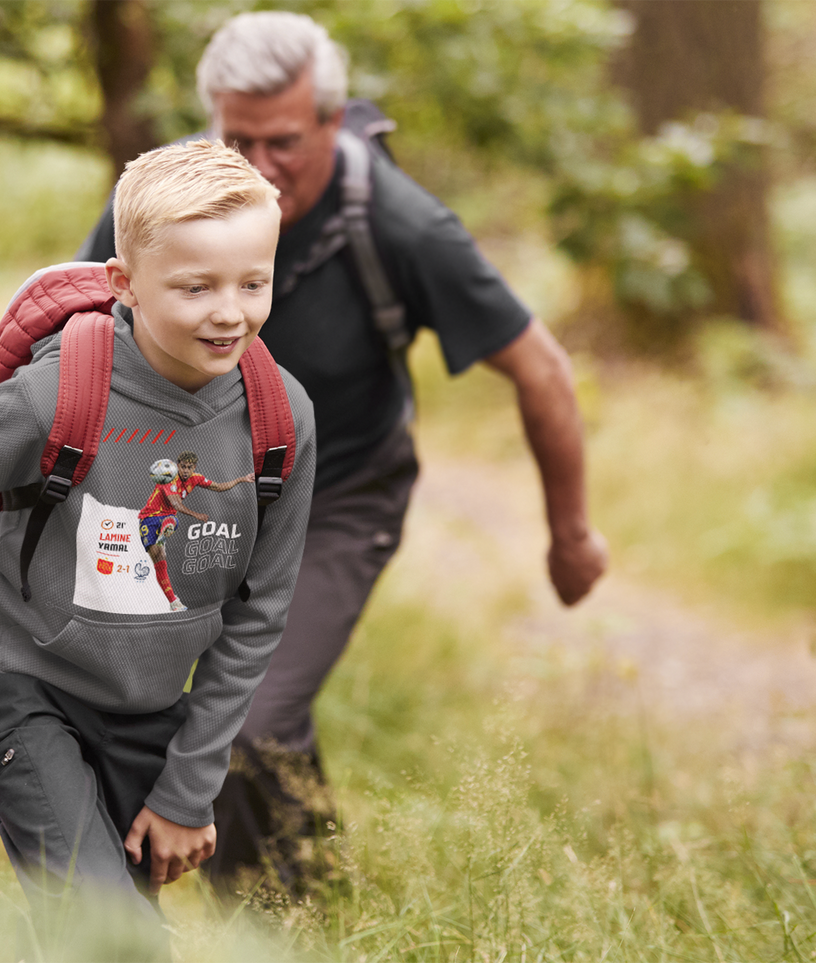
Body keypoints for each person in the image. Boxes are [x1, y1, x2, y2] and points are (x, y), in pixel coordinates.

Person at [76, 11, 610, 893]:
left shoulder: (400, 226)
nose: (254, 164)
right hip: (202, 497)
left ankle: (269, 926)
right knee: (196, 710)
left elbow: (543, 369)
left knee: (237, 720)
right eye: (234, 136)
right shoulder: (166, 199)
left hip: (339, 497)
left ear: (334, 120)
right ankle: (316, 899)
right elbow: (80, 323)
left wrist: (569, 534)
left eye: (281, 141)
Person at [0, 140, 316, 957]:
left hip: (145, 707)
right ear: (123, 283)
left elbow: (259, 615)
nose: (229, 312)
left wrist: (188, 788)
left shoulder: (281, 419)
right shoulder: (53, 396)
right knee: (115, 939)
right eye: (195, 286)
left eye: (254, 282)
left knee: (93, 930)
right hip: (16, 680)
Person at [138, 451, 254, 610]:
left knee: (171, 521)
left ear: (194, 468)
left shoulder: (196, 478)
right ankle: (164, 534)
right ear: (177, 466)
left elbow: (218, 487)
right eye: (183, 466)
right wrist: (196, 515)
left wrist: (241, 479)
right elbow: (177, 505)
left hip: (167, 517)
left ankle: (174, 603)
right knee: (158, 558)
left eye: (189, 467)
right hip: (148, 519)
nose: (186, 470)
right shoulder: (169, 477)